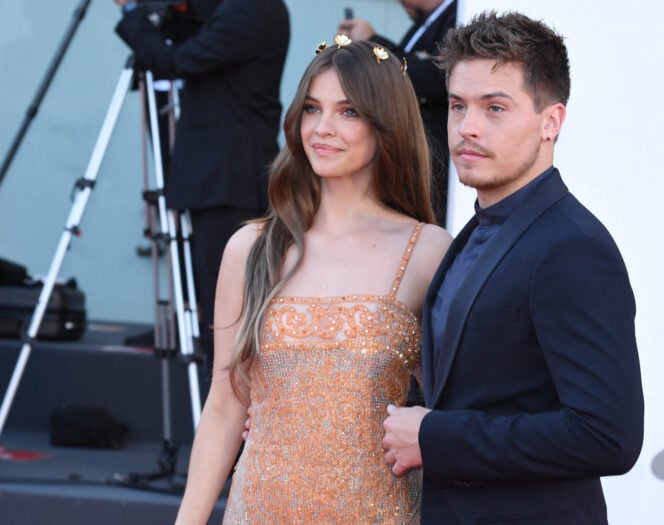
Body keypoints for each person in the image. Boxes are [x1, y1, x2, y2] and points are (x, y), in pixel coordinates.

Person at [174, 36, 452, 524]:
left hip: (379, 512)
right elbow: (224, 405)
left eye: (348, 112)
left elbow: (453, 405)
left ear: (385, 124)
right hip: (259, 509)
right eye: (311, 108)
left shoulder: (427, 251)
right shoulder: (251, 248)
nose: (322, 129)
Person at [381, 11, 645, 524]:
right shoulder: (474, 233)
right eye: (457, 106)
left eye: (494, 107)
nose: (467, 127)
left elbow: (607, 435)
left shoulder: (572, 247)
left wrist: (436, 436)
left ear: (552, 122)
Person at [114, 0, 290, 362]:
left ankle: (223, 382)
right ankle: (211, 359)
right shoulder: (243, 9)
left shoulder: (250, 10)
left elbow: (175, 62)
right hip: (222, 172)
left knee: (224, 292)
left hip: (228, 174)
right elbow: (196, 21)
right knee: (214, 284)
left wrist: (133, 11)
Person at [338, 0, 457, 226]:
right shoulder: (424, 23)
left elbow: (433, 78)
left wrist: (374, 44)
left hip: (435, 168)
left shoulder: (459, 16)